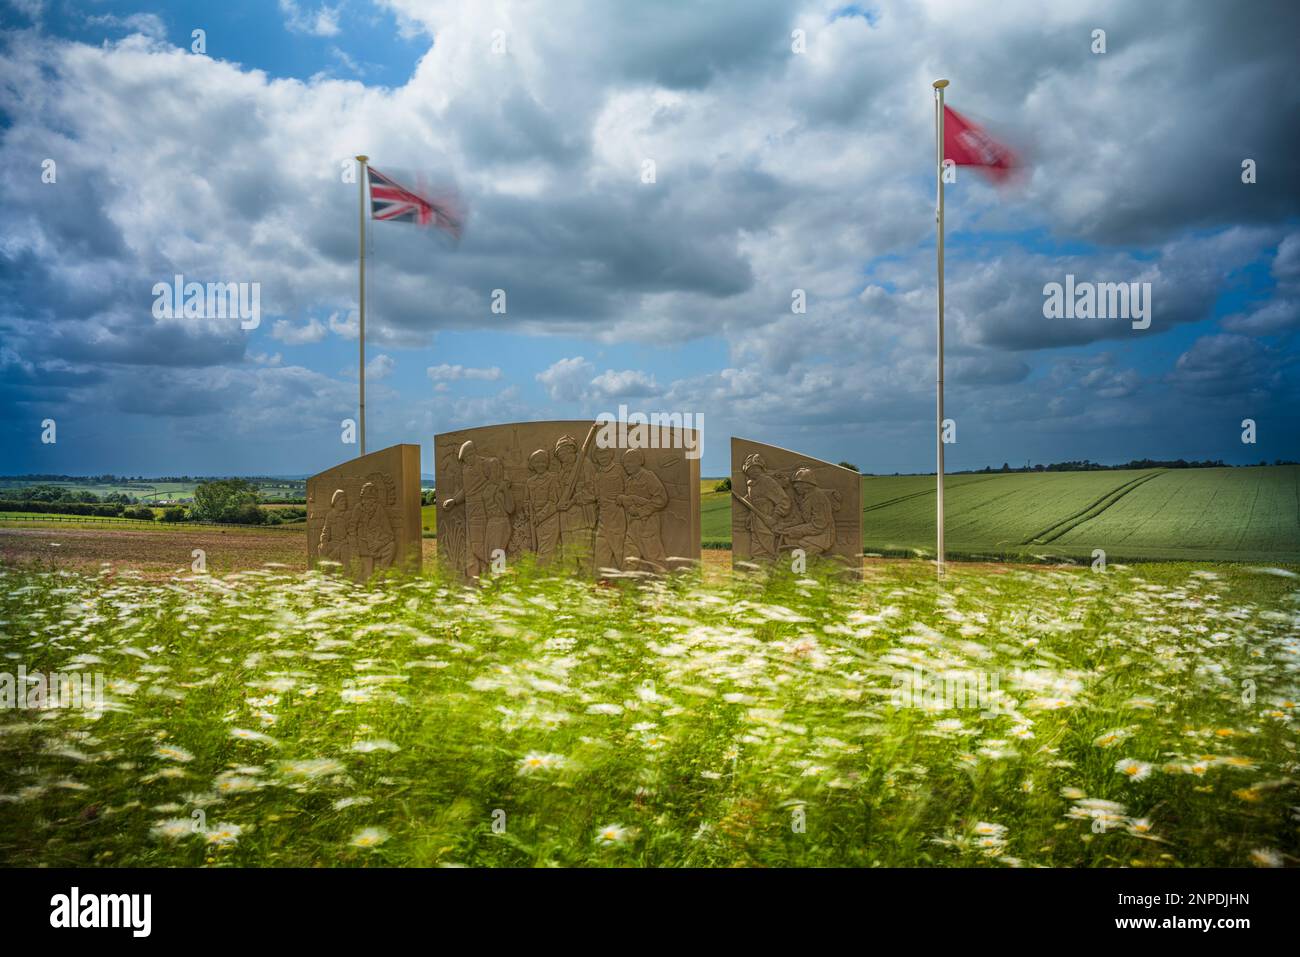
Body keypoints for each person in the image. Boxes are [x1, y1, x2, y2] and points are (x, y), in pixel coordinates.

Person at [442, 440, 514, 578]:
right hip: (472, 511)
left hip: (489, 512)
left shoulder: (487, 464)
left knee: (493, 548)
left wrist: (503, 488)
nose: (466, 462)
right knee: (477, 546)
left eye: (467, 458)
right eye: (463, 460)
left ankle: (498, 574)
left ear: (472, 453)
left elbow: (499, 479)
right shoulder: (466, 470)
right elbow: (467, 490)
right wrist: (455, 500)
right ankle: (488, 576)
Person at [618, 448, 668, 565]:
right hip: (632, 525)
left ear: (639, 461)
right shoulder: (629, 481)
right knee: (629, 558)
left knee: (654, 556)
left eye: (630, 462)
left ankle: (666, 581)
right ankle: (626, 581)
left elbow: (661, 499)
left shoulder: (648, 477)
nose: (626, 465)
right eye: (625, 463)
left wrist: (641, 511)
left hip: (647, 524)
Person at [741, 452, 790, 559]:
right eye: (751, 469)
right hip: (756, 520)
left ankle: (768, 564)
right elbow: (753, 501)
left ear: (762, 469)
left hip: (767, 517)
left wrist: (774, 517)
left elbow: (784, 501)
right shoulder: (751, 484)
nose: (754, 471)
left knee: (765, 546)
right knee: (756, 546)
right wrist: (750, 516)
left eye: (756, 468)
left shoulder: (767, 481)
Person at [783, 468, 837, 555]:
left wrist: (799, 531)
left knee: (800, 544)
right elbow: (800, 518)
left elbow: (819, 524)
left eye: (798, 483)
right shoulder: (806, 497)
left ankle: (808, 566)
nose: (795, 486)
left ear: (807, 484)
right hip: (814, 531)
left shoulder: (817, 497)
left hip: (822, 535)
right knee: (788, 537)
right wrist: (785, 528)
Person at [591, 443, 626, 572]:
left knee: (620, 552)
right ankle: (601, 586)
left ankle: (627, 583)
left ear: (611, 454)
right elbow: (595, 497)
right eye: (599, 454)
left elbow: (630, 489)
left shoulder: (620, 470)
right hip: (602, 520)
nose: (603, 456)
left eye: (605, 453)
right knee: (601, 556)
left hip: (617, 519)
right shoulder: (598, 476)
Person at [525, 448, 561, 562]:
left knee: (546, 551)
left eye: (543, 462)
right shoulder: (530, 482)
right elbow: (526, 500)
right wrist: (528, 512)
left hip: (550, 519)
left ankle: (540, 574)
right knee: (540, 549)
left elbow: (553, 501)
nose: (540, 465)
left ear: (547, 463)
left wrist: (539, 517)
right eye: (537, 462)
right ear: (532, 464)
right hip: (535, 521)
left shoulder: (553, 478)